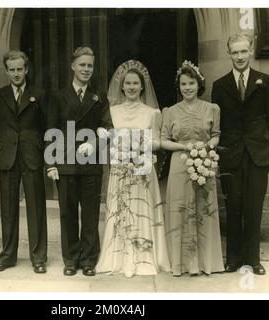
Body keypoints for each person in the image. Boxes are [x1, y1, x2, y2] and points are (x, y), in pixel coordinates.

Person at [211, 32, 269, 276]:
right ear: (228, 53)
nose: (239, 56)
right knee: (234, 206)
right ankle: (233, 259)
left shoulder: (265, 81)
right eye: (235, 52)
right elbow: (216, 125)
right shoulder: (219, 86)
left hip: (258, 154)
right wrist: (218, 156)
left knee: (254, 207)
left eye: (243, 51)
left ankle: (253, 259)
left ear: (250, 51)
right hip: (231, 155)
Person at [96, 60, 171, 278]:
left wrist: (141, 145)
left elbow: (157, 142)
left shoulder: (152, 112)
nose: (131, 87)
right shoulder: (112, 111)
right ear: (121, 86)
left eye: (135, 83)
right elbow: (108, 137)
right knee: (121, 210)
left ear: (142, 87)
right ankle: (120, 257)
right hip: (120, 169)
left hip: (142, 169)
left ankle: (142, 257)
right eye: (127, 83)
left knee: (141, 211)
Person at [46, 47, 113, 276]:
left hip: (91, 163)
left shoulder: (100, 96)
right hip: (65, 163)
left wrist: (94, 142)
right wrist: (51, 163)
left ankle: (88, 260)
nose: (86, 69)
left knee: (91, 213)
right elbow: (51, 129)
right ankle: (71, 259)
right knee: (67, 213)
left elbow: (107, 127)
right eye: (82, 65)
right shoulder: (58, 96)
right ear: (73, 66)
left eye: (90, 66)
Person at [160, 60, 225, 277]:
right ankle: (181, 264)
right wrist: (183, 146)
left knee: (204, 209)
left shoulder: (212, 109)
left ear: (199, 85)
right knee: (180, 209)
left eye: (191, 83)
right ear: (179, 87)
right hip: (180, 163)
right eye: (183, 84)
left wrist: (205, 148)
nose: (187, 88)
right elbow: (162, 141)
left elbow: (216, 135)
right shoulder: (170, 112)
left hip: (204, 163)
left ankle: (206, 263)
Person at [0, 50, 47, 273]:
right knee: (8, 208)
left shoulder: (38, 94)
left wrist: (34, 143)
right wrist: (8, 143)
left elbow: (44, 125)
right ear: (6, 71)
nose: (16, 73)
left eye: (19, 69)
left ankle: (38, 257)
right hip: (8, 157)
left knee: (36, 206)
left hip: (32, 155)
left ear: (26, 69)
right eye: (12, 69)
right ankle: (8, 256)